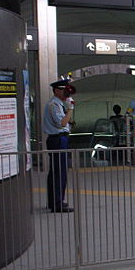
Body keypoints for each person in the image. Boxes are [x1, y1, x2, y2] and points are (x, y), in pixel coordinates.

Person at [43, 79, 75, 213]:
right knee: (59, 172)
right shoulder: (54, 105)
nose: (66, 93)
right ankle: (57, 203)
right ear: (57, 90)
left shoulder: (57, 104)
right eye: (64, 90)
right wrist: (70, 109)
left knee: (57, 171)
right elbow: (62, 123)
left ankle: (55, 201)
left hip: (59, 139)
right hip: (58, 140)